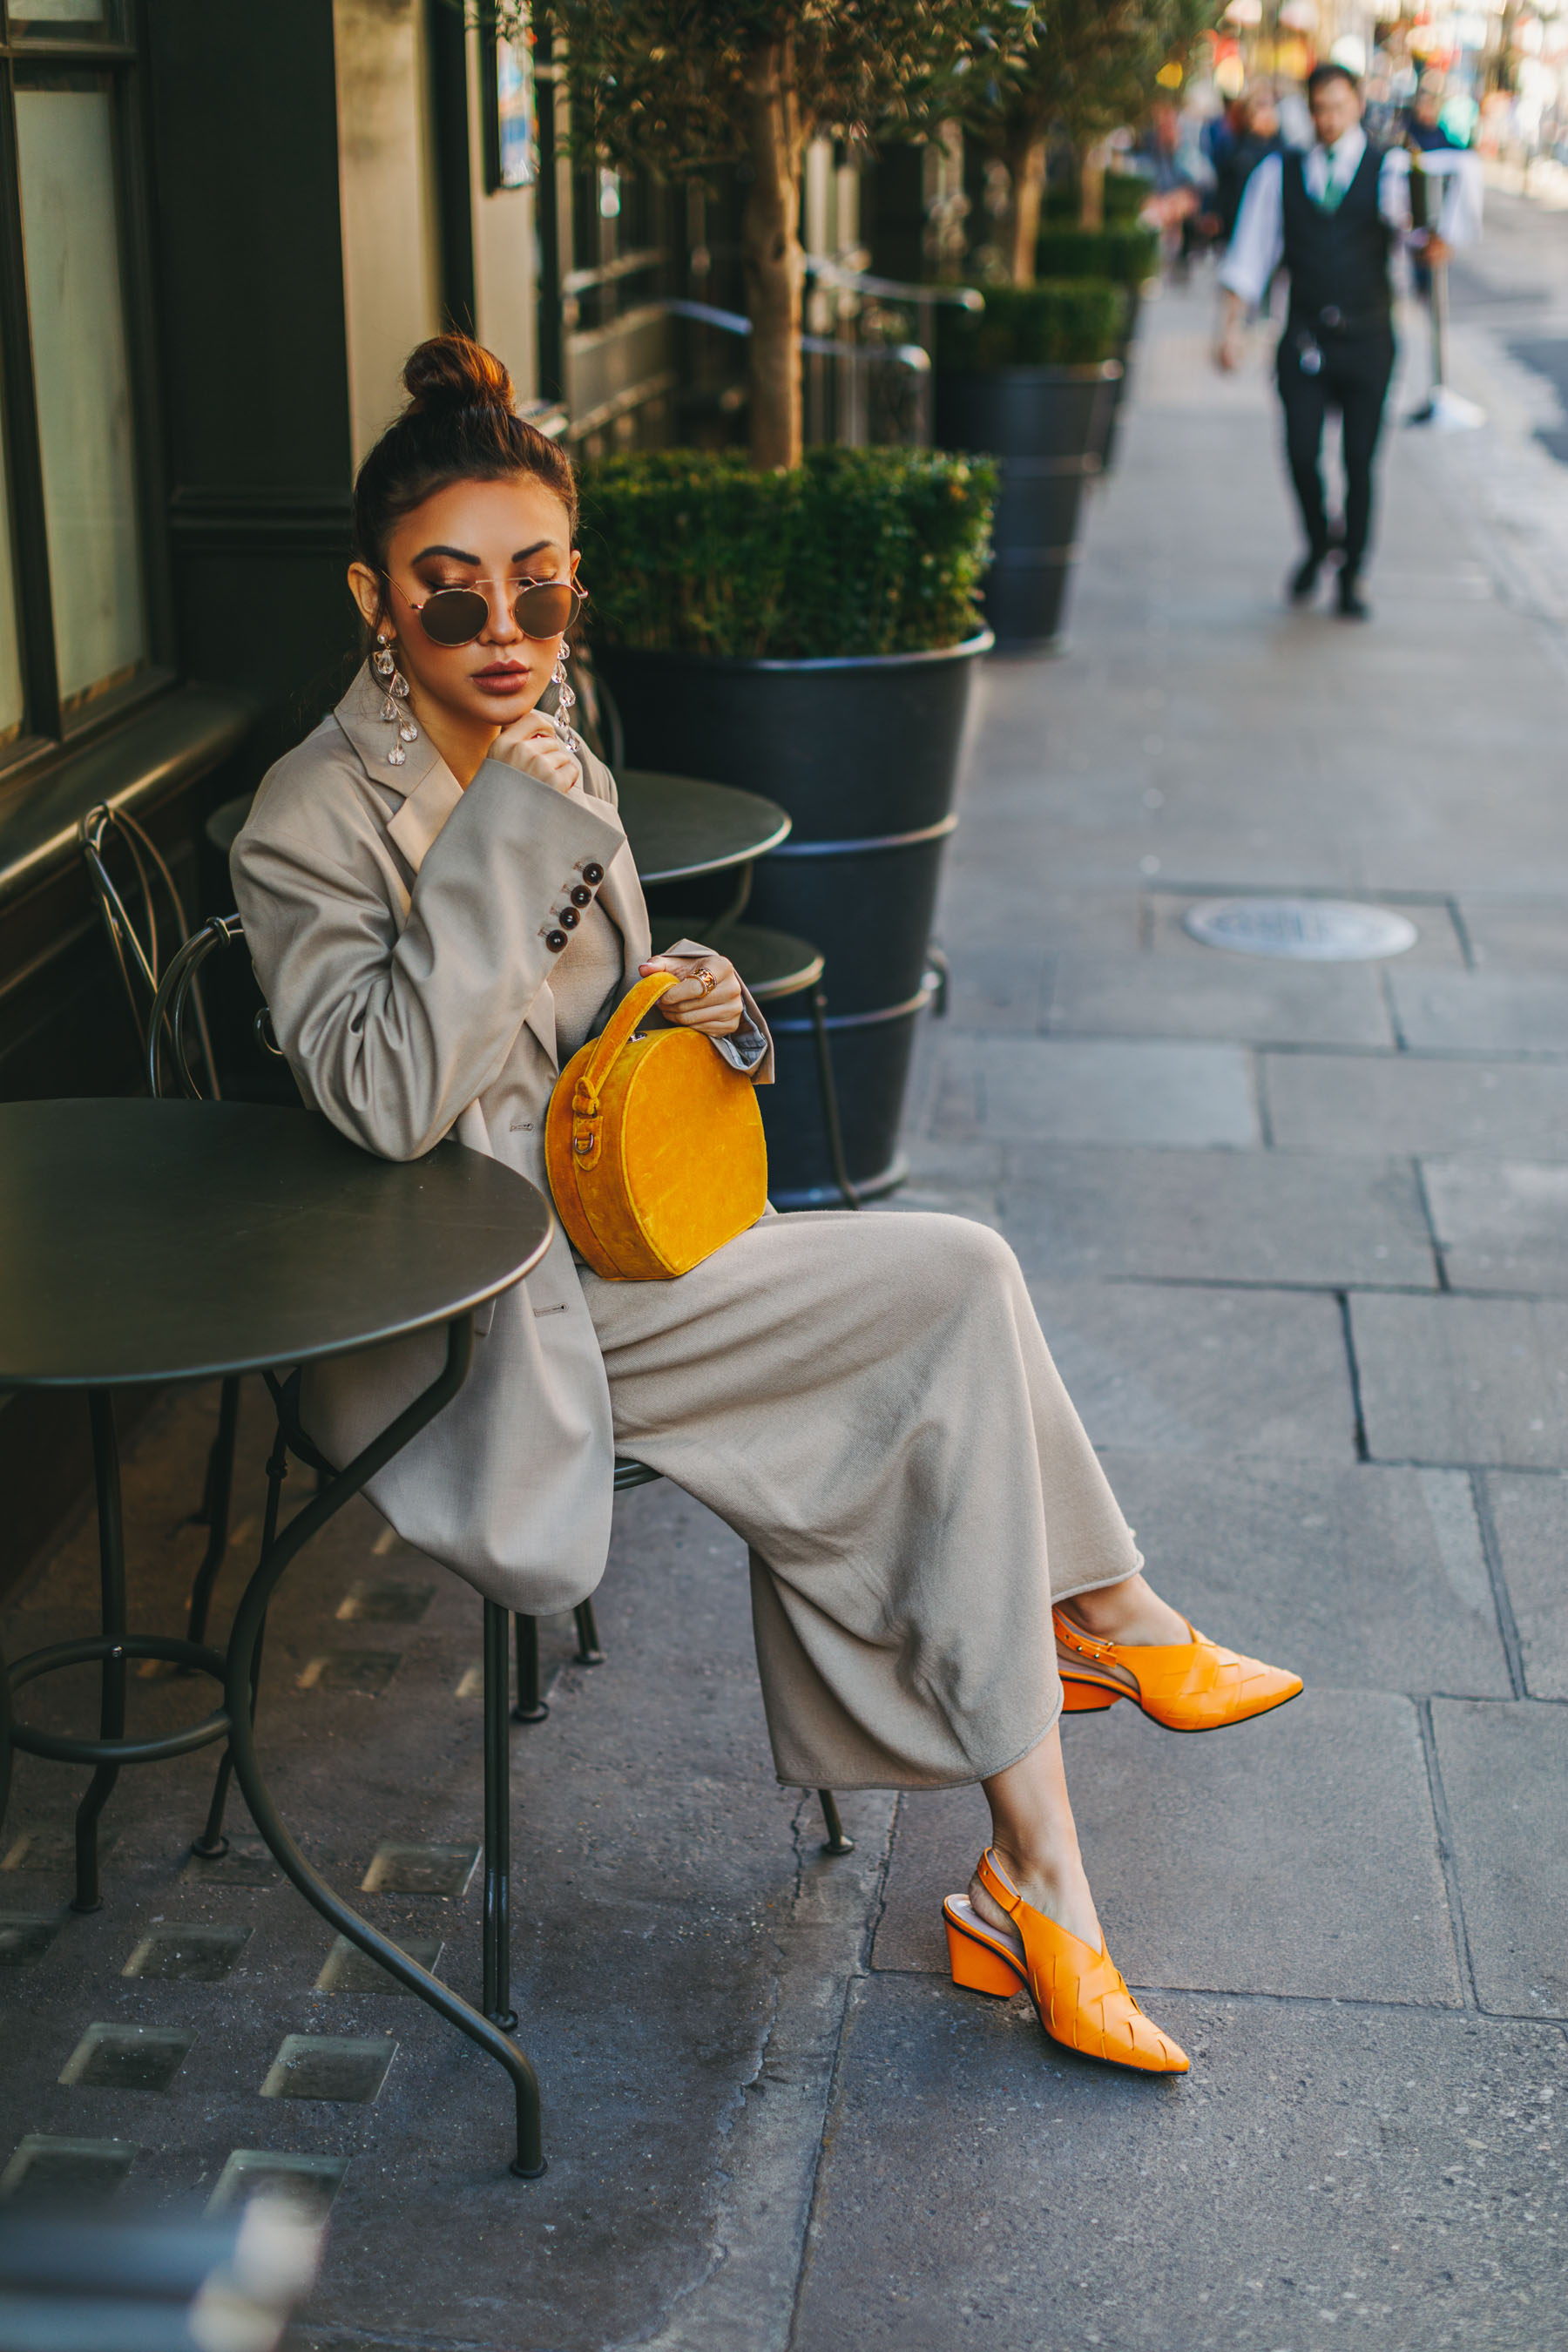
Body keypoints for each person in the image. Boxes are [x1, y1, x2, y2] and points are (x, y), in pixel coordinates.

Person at [230, 334, 1303, 2082]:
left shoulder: (552, 747)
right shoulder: (309, 820)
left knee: (959, 1276)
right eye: (453, 598)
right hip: (458, 1324)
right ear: (374, 599)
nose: (507, 633)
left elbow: (592, 1047)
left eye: (542, 589)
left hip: (607, 1255)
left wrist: (695, 1010)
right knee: (927, 1401)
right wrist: (509, 830)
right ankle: (1069, 1735)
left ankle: (1069, 1766)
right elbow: (386, 1101)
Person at [1215, 60, 1479, 620]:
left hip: (1369, 341)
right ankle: (1319, 542)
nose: (1328, 119)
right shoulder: (1279, 172)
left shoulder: (1388, 170)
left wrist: (1435, 243)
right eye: (1318, 109)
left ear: (1357, 105)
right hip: (1305, 338)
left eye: (1337, 107)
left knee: (1360, 462)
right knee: (1300, 454)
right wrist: (1229, 330)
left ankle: (1353, 573)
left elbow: (1420, 230)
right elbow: (1250, 254)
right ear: (1307, 111)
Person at [1213, 81, 1284, 248]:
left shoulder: (1285, 153)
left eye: (1269, 105)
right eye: (1260, 106)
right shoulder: (1238, 152)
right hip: (1242, 234)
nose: (1266, 113)